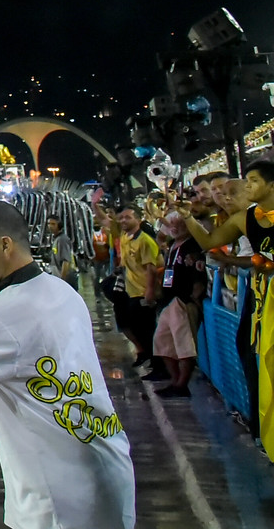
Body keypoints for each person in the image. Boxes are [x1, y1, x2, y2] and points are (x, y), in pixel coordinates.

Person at [0, 198, 134, 528]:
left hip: (58, 501)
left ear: (5, 244)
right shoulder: (60, 291)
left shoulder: (4, 316)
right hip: (107, 465)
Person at [180, 157, 274, 454]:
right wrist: (187, 218)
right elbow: (210, 242)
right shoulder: (244, 219)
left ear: (271, 185)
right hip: (266, 300)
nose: (247, 187)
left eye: (254, 181)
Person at [150, 210, 205, 397]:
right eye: (170, 223)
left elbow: (198, 276)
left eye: (178, 223)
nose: (173, 227)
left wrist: (192, 300)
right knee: (162, 342)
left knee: (184, 346)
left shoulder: (193, 245)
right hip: (169, 300)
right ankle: (176, 381)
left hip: (182, 300)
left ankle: (181, 384)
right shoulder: (174, 245)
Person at [105, 206, 161, 375]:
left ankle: (158, 366)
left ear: (138, 219)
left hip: (143, 292)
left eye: (128, 217)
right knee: (135, 327)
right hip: (131, 291)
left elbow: (151, 268)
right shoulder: (125, 238)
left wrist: (150, 291)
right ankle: (148, 358)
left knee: (148, 330)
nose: (123, 221)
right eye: (121, 218)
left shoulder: (145, 241)